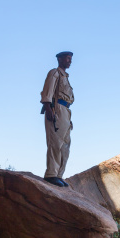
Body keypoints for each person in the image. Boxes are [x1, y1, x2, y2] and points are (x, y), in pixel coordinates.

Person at [40, 51, 74, 187]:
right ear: (59, 59)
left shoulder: (66, 77)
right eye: (67, 58)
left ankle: (59, 175)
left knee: (65, 145)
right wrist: (48, 108)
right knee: (55, 143)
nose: (69, 61)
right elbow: (47, 91)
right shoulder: (55, 73)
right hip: (57, 109)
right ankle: (51, 174)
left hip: (66, 111)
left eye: (70, 59)